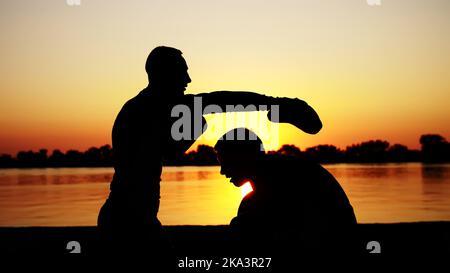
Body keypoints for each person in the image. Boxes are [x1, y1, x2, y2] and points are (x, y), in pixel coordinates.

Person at [97, 46, 322, 257]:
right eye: (182, 73)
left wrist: (274, 104)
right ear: (163, 75)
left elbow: (220, 100)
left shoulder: (148, 107)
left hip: (133, 216)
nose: (188, 80)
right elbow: (215, 105)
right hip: (128, 218)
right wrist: (276, 104)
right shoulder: (146, 109)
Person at [214, 128, 357, 257]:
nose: (222, 171)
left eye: (226, 163)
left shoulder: (279, 177)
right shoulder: (277, 171)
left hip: (331, 246)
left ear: (244, 158)